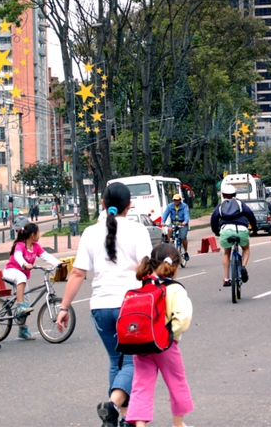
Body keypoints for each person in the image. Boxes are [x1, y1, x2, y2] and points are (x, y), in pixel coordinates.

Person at [56, 182, 152, 427]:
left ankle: (118, 418)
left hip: (100, 307)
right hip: (131, 306)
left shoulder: (90, 232)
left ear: (102, 204)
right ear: (129, 206)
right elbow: (148, 270)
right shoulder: (138, 231)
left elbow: (77, 273)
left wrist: (64, 307)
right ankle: (113, 405)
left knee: (115, 360)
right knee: (132, 361)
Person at [125, 244, 194, 427]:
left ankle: (139, 425)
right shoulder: (175, 289)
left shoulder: (143, 285)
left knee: (141, 386)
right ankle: (178, 424)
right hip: (165, 344)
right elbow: (183, 316)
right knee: (176, 382)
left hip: (143, 343)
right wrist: (170, 334)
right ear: (175, 266)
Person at [3, 223, 62, 340]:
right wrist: (24, 264)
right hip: (11, 272)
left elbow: (46, 256)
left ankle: (22, 330)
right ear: (32, 235)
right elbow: (18, 257)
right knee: (21, 280)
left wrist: (59, 263)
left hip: (22, 277)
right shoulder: (20, 245)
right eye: (38, 232)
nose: (39, 235)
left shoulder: (36, 246)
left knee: (27, 303)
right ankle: (19, 306)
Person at [211, 184, 258, 286]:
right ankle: (244, 266)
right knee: (246, 249)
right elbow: (250, 215)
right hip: (241, 230)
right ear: (235, 194)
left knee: (226, 253)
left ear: (223, 195)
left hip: (226, 231)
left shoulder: (220, 205)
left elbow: (214, 220)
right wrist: (254, 229)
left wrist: (217, 232)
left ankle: (227, 279)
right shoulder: (240, 203)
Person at [162, 193, 190, 262]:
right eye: (174, 200)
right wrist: (163, 222)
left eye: (177, 200)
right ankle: (169, 242)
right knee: (169, 229)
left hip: (182, 223)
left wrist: (185, 221)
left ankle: (185, 252)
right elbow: (165, 214)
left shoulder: (184, 206)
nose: (176, 201)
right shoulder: (170, 206)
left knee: (183, 238)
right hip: (174, 222)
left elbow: (186, 214)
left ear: (180, 200)